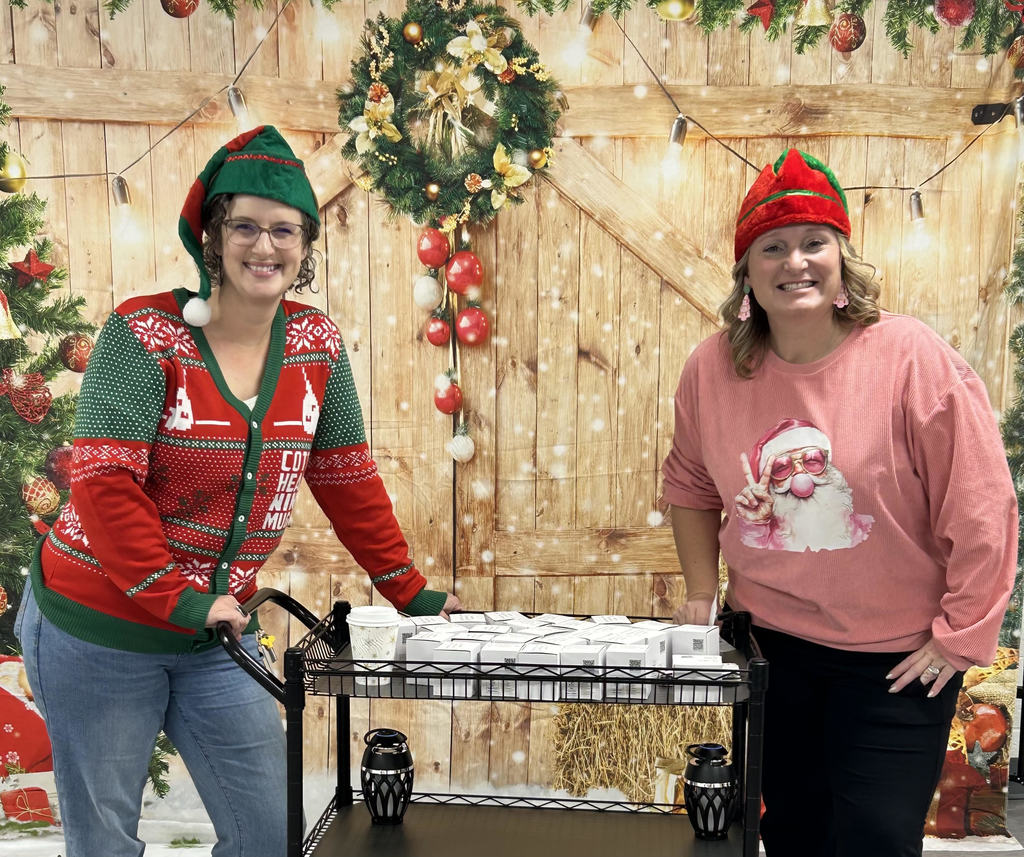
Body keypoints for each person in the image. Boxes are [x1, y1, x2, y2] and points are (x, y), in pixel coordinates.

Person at [15, 125, 460, 857]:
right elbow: (104, 487)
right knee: (105, 843)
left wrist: (409, 591)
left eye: (284, 230)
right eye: (245, 226)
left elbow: (347, 478)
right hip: (98, 628)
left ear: (306, 245)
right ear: (213, 235)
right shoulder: (144, 334)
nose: (265, 246)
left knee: (269, 832)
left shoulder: (315, 345)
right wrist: (179, 595)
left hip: (214, 631)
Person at [661, 148, 1017, 857]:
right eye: (774, 247)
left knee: (875, 839)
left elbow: (982, 503)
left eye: (813, 242)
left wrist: (960, 633)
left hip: (891, 661)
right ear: (748, 276)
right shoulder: (712, 367)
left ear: (840, 260)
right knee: (791, 832)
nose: (796, 261)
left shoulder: (909, 357)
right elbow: (691, 484)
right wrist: (702, 592)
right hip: (771, 651)